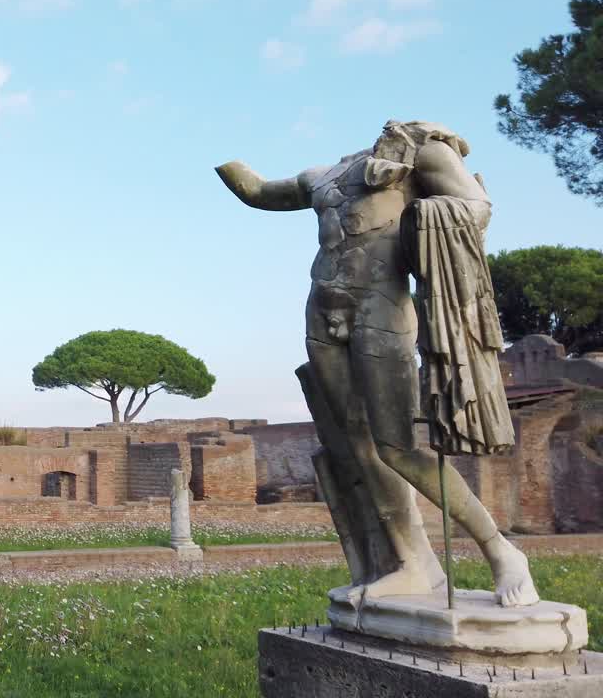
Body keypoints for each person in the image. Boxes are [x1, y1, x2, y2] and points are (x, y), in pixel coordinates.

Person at [215, 121, 537, 607]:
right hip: (322, 310)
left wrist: (428, 212)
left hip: (380, 308)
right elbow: (257, 191)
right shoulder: (320, 176)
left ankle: (502, 552)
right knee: (353, 447)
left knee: (398, 448)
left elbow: (475, 210)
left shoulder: (422, 153)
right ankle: (410, 566)